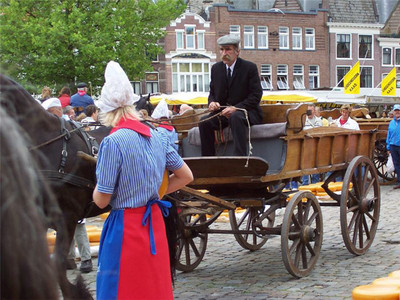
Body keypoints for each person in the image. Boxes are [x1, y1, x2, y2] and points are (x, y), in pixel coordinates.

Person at [93, 61, 193, 300]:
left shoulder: (113, 142)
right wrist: (157, 194)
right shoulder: (157, 136)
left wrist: (97, 185)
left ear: (107, 111)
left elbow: (101, 200)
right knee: (152, 288)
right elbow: (186, 176)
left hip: (125, 225)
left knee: (120, 289)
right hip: (154, 222)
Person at [199, 34, 263, 156]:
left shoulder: (249, 68)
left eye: (227, 49)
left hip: (246, 112)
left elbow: (256, 95)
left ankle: (239, 158)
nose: (224, 53)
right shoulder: (216, 68)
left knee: (236, 117)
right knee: (204, 121)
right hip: (223, 114)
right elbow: (212, 92)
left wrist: (236, 108)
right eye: (222, 49)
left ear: (237, 51)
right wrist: (212, 102)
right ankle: (208, 160)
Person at [302, 104, 322, 185]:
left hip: (317, 147)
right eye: (308, 110)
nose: (309, 112)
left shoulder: (319, 121)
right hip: (306, 147)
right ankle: (305, 185)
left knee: (316, 166)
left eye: (311, 110)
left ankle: (315, 184)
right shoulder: (302, 121)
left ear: (314, 111)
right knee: (305, 167)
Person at [386, 104, 400, 189]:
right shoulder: (391, 122)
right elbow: (389, 135)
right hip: (393, 146)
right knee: (397, 165)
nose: (397, 112)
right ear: (393, 112)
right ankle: (399, 182)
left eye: (398, 110)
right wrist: (388, 146)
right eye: (396, 110)